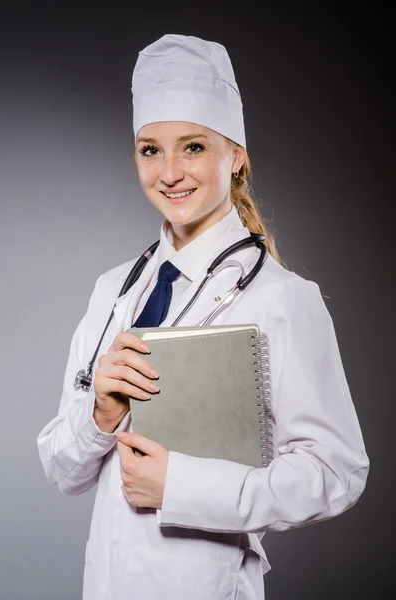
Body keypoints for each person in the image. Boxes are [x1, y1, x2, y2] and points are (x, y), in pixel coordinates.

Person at [37, 34, 369, 600]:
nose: (169, 172)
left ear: (236, 155)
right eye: (150, 149)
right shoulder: (113, 291)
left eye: (192, 147)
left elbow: (335, 474)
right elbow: (62, 473)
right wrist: (101, 414)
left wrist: (182, 486)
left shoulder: (283, 298)